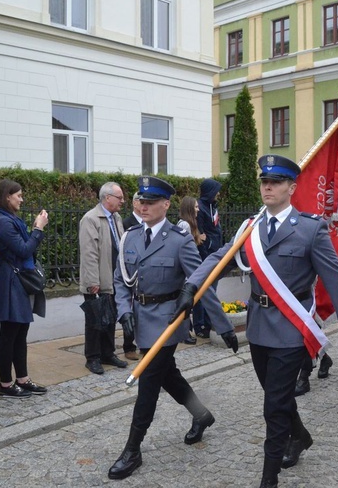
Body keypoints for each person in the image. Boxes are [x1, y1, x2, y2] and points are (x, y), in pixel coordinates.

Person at [175, 155, 338, 488]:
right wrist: (193, 284)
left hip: (292, 330)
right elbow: (221, 257)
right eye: (264, 182)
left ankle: (268, 478)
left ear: (292, 187)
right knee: (277, 396)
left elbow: (334, 277)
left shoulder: (310, 227)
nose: (268, 187)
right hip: (259, 326)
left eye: (275, 182)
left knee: (273, 406)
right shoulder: (252, 226)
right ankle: (300, 435)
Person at [107, 177, 237, 480]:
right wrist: (124, 311)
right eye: (141, 201)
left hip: (168, 322)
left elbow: (201, 285)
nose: (144, 206)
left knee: (148, 383)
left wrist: (223, 325)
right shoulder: (131, 236)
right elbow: (120, 279)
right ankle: (202, 415)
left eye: (151, 202)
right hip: (140, 319)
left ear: (166, 204)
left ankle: (133, 449)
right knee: (169, 376)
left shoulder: (179, 241)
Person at [0, 179, 48, 399]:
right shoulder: (2, 222)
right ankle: (5, 384)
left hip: (18, 280)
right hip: (10, 281)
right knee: (8, 334)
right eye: (19, 196)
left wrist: (34, 230)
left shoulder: (11, 219)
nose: (21, 199)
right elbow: (24, 250)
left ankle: (22, 379)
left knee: (20, 332)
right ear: (7, 197)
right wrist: (38, 229)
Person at [79, 182, 128, 374]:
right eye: (119, 197)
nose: (122, 201)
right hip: (98, 280)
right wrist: (93, 282)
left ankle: (108, 353)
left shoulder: (116, 218)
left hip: (114, 278)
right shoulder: (90, 219)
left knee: (110, 318)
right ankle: (92, 357)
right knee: (95, 320)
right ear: (107, 198)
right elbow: (89, 253)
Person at [194, 178, 223, 338]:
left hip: (217, 254)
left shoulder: (214, 207)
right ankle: (200, 324)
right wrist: (207, 253)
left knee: (212, 291)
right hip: (207, 256)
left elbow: (216, 229)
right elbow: (201, 235)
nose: (218, 193)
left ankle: (209, 321)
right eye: (216, 190)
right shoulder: (201, 208)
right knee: (203, 291)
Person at [176, 196, 206, 345]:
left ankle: (186, 330)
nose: (198, 209)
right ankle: (184, 332)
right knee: (186, 302)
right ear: (189, 208)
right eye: (195, 207)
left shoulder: (189, 225)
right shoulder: (184, 225)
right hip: (185, 271)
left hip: (188, 270)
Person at [121, 191, 146, 360]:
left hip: (146, 273)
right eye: (141, 201)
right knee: (128, 310)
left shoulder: (148, 223)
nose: (145, 206)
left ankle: (144, 342)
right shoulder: (126, 223)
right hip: (131, 273)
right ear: (134, 203)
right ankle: (128, 345)